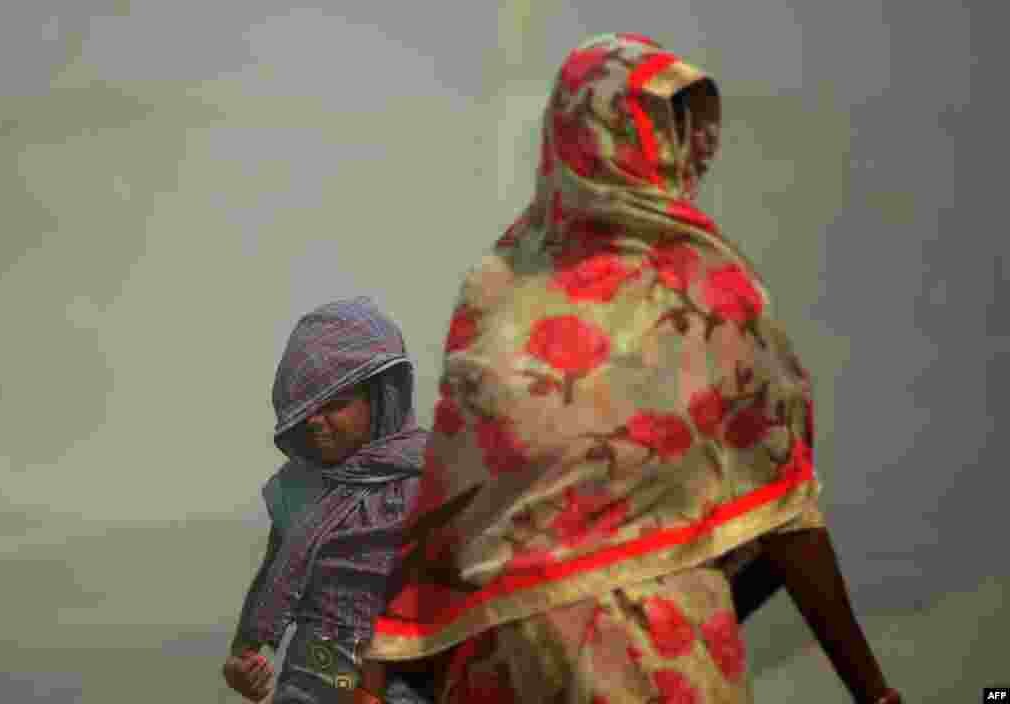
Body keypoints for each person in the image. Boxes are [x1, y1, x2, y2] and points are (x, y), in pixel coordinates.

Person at [358, 33, 903, 704]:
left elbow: (779, 498)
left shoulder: (707, 291)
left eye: (681, 129)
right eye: (659, 128)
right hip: (510, 665)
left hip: (658, 658)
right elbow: (451, 502)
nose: (681, 150)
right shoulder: (496, 289)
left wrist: (873, 692)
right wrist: (377, 669)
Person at [221, 296, 434, 703]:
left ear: (381, 397)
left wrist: (375, 686)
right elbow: (274, 575)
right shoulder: (300, 489)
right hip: (314, 675)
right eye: (308, 409)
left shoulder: (435, 480)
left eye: (335, 404)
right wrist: (243, 657)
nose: (316, 421)